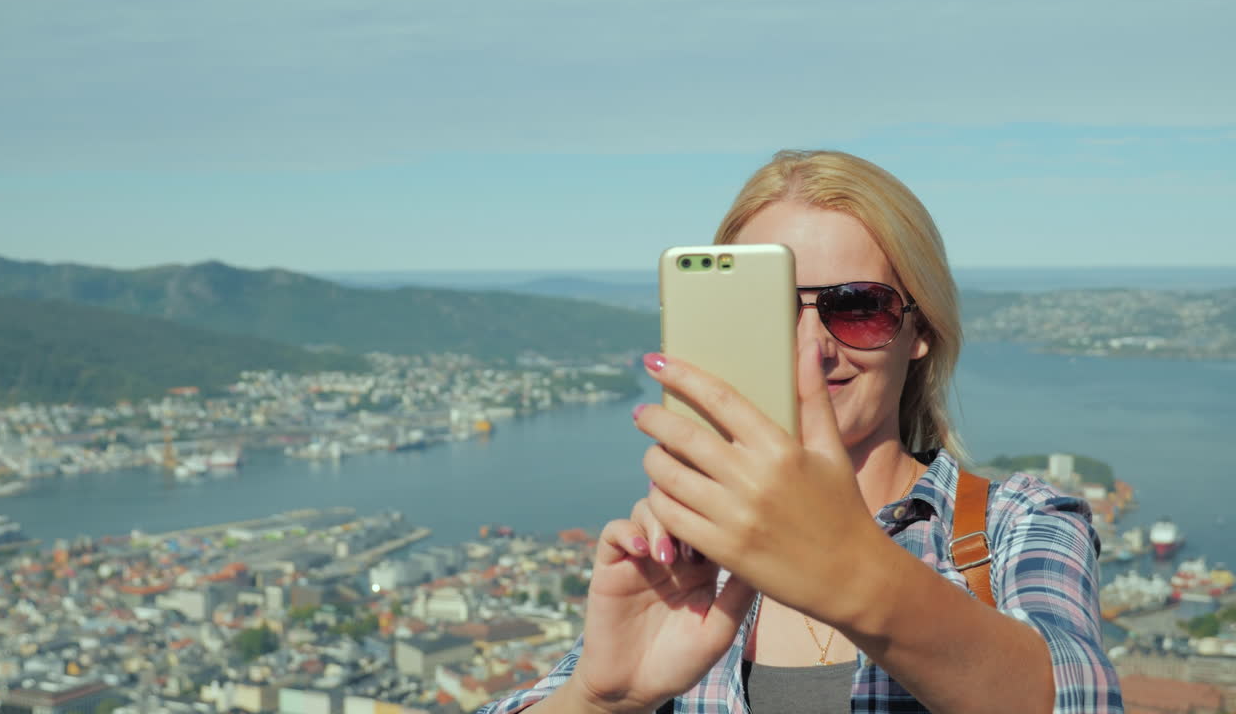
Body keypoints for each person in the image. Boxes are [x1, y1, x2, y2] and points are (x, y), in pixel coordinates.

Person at [478, 150, 1122, 713]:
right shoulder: (687, 551)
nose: (812, 348)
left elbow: (1080, 698)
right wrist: (597, 700)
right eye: (771, 310)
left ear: (921, 330)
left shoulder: (1018, 524)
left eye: (861, 308)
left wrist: (852, 571)